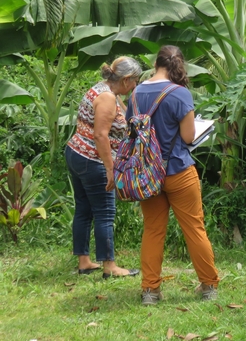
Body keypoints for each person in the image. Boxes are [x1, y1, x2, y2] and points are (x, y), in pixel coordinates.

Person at [127, 45, 219, 305]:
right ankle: (209, 286)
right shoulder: (180, 94)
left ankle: (150, 291)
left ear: (156, 64)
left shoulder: (135, 93)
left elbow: (131, 132)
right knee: (194, 228)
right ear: (178, 66)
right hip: (177, 169)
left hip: (147, 173)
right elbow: (189, 136)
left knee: (153, 230)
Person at [65, 56, 142, 279]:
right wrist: (110, 169)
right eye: (135, 80)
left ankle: (84, 262)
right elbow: (101, 135)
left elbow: (123, 117)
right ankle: (109, 266)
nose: (135, 85)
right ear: (126, 79)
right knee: (105, 212)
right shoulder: (108, 98)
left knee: (83, 209)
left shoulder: (103, 90)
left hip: (76, 153)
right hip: (93, 160)